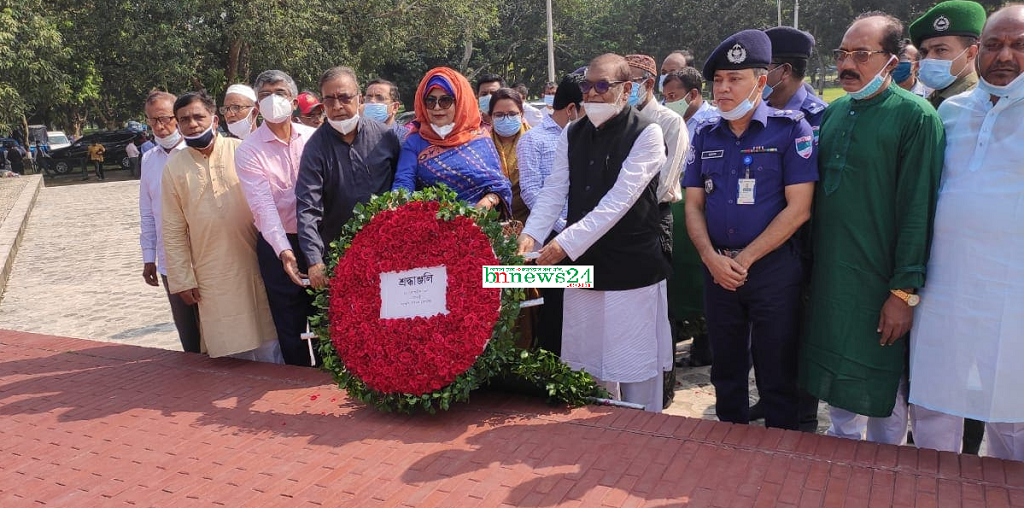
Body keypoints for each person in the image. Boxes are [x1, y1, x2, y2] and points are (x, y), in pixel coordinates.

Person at [800, 12, 945, 445]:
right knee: (836, 378)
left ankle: (884, 470)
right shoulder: (834, 112)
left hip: (881, 282)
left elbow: (918, 210)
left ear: (892, 61)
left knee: (884, 387)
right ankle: (841, 460)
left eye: (861, 55)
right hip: (832, 278)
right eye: (842, 54)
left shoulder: (916, 117)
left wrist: (902, 293)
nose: (847, 64)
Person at [518, 53, 671, 413]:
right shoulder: (573, 131)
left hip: (630, 267)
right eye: (587, 85)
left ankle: (642, 431)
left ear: (627, 90)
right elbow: (555, 190)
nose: (592, 93)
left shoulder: (647, 133)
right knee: (585, 359)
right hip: (583, 265)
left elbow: (618, 202)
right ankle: (591, 431)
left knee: (634, 363)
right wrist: (532, 235)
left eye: (603, 86)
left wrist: (563, 243)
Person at [682, 30, 818, 429]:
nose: (723, 88)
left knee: (776, 370)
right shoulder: (705, 134)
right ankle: (729, 447)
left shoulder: (791, 130)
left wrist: (744, 260)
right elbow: (693, 205)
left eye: (734, 79)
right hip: (718, 270)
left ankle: (779, 452)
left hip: (772, 270)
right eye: (718, 80)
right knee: (726, 370)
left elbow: (799, 209)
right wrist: (711, 259)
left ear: (761, 82)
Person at [908, 4, 1024, 462]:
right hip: (945, 286)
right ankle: (932, 486)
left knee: (1013, 411)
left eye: (1019, 45)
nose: (1005, 56)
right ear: (978, 51)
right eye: (994, 45)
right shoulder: (950, 111)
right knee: (933, 400)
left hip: (1013, 292)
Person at [161, 91, 281, 362]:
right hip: (210, 273)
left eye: (198, 117)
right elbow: (172, 228)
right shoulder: (174, 167)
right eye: (184, 120)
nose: (192, 124)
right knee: (229, 351)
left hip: (255, 263)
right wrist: (182, 278)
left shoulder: (242, 151)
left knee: (269, 343)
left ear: (215, 120)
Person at [235, 70, 318, 367]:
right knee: (289, 324)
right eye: (265, 95)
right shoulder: (248, 150)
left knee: (324, 317)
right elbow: (262, 206)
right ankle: (296, 378)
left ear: (293, 101)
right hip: (276, 245)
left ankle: (328, 379)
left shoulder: (314, 138)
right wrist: (284, 251)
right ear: (258, 106)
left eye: (280, 93)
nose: (273, 100)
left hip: (316, 240)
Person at [297, 66, 402, 291]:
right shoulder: (314, 149)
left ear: (359, 99)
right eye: (329, 100)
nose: (337, 106)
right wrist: (314, 260)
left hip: (389, 252)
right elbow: (308, 207)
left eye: (344, 98)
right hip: (340, 257)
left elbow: (402, 184)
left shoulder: (385, 137)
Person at [626, 53, 691, 407]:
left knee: (658, 305)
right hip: (617, 225)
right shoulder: (618, 121)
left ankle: (661, 389)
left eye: (630, 81)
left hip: (652, 219)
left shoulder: (668, 122)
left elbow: (665, 182)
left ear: (648, 84)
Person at [516, 74, 585, 356]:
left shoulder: (585, 137)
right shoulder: (533, 140)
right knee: (555, 305)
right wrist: (562, 227)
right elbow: (532, 191)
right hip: (551, 236)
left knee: (582, 304)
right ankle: (553, 363)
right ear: (571, 109)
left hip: (584, 233)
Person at [392, 67, 512, 213]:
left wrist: (486, 203)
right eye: (430, 101)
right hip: (433, 221)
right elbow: (404, 182)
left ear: (460, 102)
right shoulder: (415, 141)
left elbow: (499, 184)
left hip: (482, 220)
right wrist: (396, 208)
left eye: (445, 100)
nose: (437, 107)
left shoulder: (480, 138)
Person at [138, 90, 201, 353]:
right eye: (152, 120)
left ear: (177, 117)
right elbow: (147, 212)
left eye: (164, 118)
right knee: (189, 335)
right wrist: (149, 257)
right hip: (170, 261)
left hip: (203, 255)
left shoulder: (196, 152)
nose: (159, 126)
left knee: (216, 331)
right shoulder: (148, 159)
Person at [910, 0, 986, 108]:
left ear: (970, 53)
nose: (929, 58)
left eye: (941, 50)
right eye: (924, 52)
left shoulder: (977, 104)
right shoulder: (934, 98)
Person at [489, 87, 532, 222]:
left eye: (512, 114)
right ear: (491, 117)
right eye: (499, 115)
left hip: (531, 222)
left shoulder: (535, 141)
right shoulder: (482, 144)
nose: (506, 119)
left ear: (521, 114)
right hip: (492, 222)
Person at [662, 68, 718, 142]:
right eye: (665, 97)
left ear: (692, 95)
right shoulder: (667, 124)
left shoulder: (717, 122)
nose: (667, 102)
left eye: (672, 96)